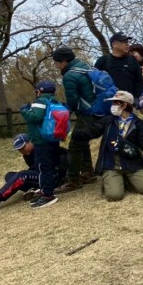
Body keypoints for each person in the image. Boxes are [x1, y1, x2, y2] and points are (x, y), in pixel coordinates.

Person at [52, 45, 101, 192]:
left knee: (74, 145)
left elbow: (72, 100)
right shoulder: (86, 66)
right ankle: (87, 172)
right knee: (82, 141)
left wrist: (66, 111)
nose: (56, 66)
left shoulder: (69, 76)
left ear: (64, 61)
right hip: (100, 109)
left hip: (87, 113)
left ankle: (73, 180)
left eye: (56, 62)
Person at [0, 134, 68, 211]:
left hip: (52, 176)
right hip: (41, 176)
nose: (21, 151)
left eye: (22, 147)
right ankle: (35, 189)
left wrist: (64, 173)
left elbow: (65, 155)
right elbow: (35, 168)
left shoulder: (41, 149)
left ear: (30, 142)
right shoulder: (27, 155)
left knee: (22, 175)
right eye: (19, 149)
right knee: (9, 175)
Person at [94, 91, 143, 201]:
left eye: (116, 103)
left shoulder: (138, 123)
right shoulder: (109, 120)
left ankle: (125, 181)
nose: (113, 105)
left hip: (131, 164)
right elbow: (92, 130)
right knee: (114, 195)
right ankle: (111, 181)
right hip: (112, 164)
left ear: (124, 105)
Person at [15, 80, 68, 208]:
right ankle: (45, 192)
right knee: (48, 166)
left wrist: (24, 110)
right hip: (53, 138)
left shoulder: (40, 101)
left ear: (39, 91)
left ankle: (47, 195)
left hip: (41, 140)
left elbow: (35, 117)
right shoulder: (54, 101)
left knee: (44, 168)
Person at [95, 33, 143, 98]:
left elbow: (139, 82)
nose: (127, 44)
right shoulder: (103, 61)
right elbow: (94, 82)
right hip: (108, 101)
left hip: (128, 101)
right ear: (114, 44)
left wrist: (136, 99)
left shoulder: (132, 61)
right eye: (124, 42)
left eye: (127, 42)